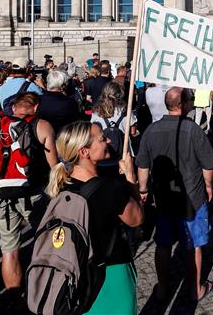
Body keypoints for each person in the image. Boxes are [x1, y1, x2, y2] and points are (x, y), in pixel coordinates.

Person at [45, 121, 143, 314]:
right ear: (84, 152)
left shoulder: (59, 188)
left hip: (74, 279)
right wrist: (131, 178)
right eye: (101, 139)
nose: (108, 140)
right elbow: (137, 218)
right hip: (110, 276)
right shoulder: (108, 188)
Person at [137, 87, 213, 302]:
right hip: (192, 197)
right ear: (182, 104)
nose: (193, 102)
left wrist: (143, 190)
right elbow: (209, 165)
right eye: (190, 99)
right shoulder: (193, 130)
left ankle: (163, 288)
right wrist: (209, 186)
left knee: (163, 244)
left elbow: (142, 166)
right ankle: (195, 289)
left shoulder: (151, 130)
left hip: (163, 198)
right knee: (193, 245)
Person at [0, 92, 59, 304]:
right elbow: (54, 167)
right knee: (44, 241)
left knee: (9, 249)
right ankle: (45, 287)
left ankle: (14, 298)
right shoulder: (42, 126)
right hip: (32, 191)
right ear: (36, 106)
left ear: (14, 107)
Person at [91, 81, 137, 170]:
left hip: (103, 154)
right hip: (124, 155)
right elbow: (133, 131)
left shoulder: (96, 111)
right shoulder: (125, 110)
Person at [37, 70, 82, 135]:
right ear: (64, 85)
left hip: (41, 137)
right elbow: (75, 124)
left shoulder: (38, 99)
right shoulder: (70, 103)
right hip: (63, 137)